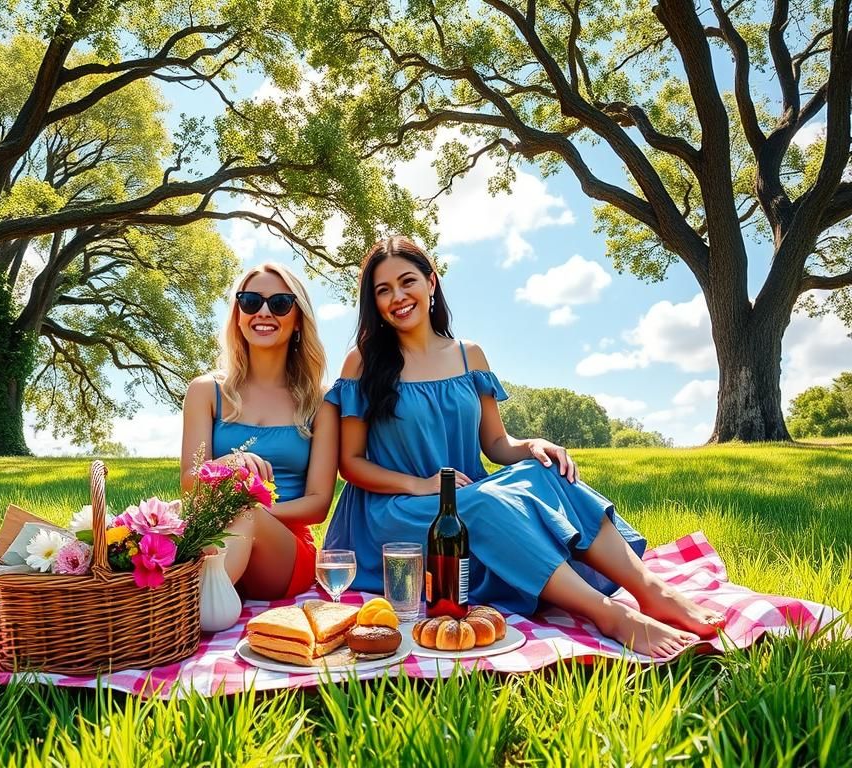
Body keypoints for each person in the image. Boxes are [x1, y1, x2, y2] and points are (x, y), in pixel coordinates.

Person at [324, 236, 725, 657]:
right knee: (484, 504)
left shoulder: (468, 356)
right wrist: (421, 485)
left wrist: (534, 445)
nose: (398, 297)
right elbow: (350, 463)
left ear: (431, 282)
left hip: (466, 497)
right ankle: (609, 614)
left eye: (407, 282)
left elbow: (496, 444)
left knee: (545, 469)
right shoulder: (363, 362)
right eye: (383, 290)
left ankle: (652, 590)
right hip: (396, 511)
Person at [181, 262, 338, 600]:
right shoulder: (205, 391)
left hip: (285, 549)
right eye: (251, 301)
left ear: (298, 320)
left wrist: (250, 513)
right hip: (215, 534)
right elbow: (189, 483)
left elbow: (318, 504)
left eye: (280, 304)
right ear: (238, 315)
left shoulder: (320, 401)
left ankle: (195, 610)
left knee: (246, 515)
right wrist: (227, 464)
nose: (263, 312)